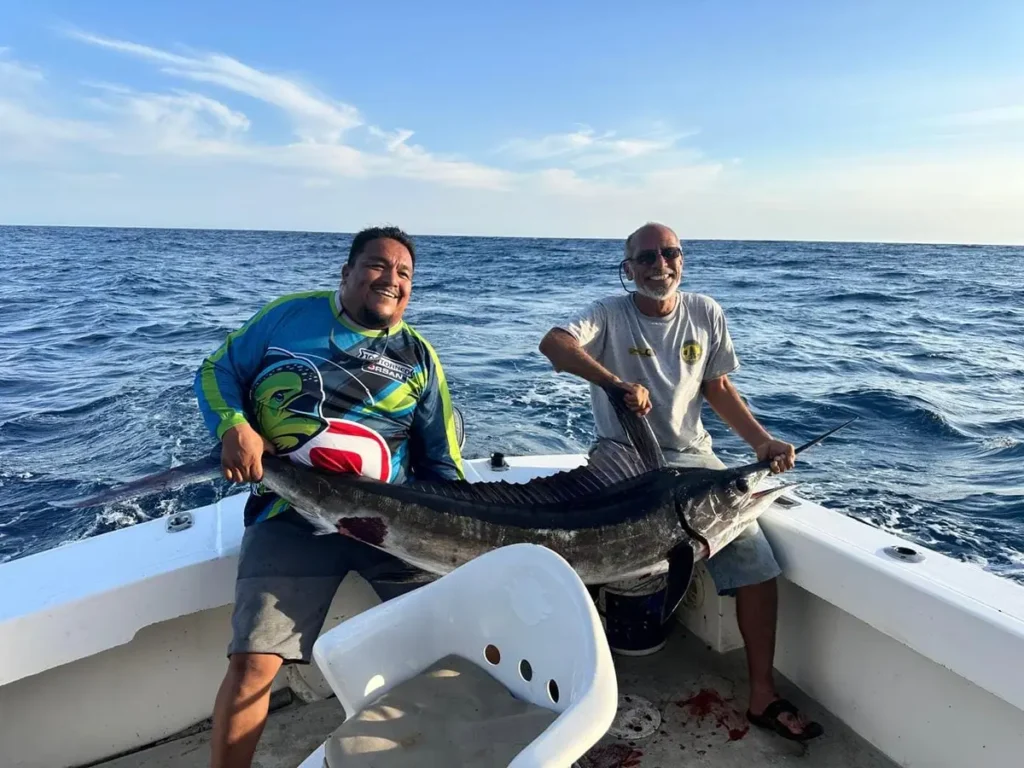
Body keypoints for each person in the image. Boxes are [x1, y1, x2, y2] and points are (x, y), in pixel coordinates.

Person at [537, 222, 823, 742]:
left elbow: (717, 387)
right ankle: (578, 685)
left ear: (682, 261)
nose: (658, 265)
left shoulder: (705, 311)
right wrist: (615, 382)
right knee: (578, 553)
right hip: (622, 458)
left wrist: (760, 443)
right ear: (628, 269)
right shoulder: (607, 313)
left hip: (693, 458)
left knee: (757, 562)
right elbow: (554, 345)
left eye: (669, 254)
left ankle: (762, 692)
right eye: (645, 258)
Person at [193, 225, 464, 768]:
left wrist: (471, 527)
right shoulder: (289, 317)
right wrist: (232, 425)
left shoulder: (419, 357)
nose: (391, 279)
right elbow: (216, 369)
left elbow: (442, 460)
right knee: (253, 664)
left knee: (452, 651)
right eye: (377, 265)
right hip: (289, 513)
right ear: (346, 273)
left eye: (404, 273)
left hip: (395, 528)